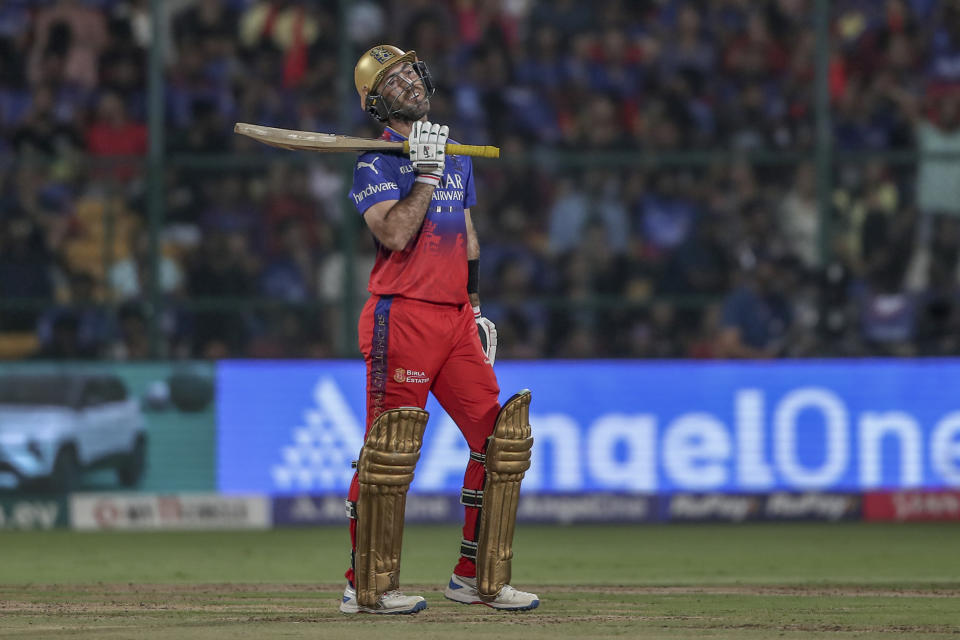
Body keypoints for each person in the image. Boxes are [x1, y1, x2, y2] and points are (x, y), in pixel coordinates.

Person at [339, 45, 539, 615]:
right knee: (389, 453)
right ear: (378, 102)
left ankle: (478, 576)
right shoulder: (374, 164)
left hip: (453, 320)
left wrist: (474, 306)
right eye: (393, 80)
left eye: (409, 72)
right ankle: (366, 585)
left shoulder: (457, 154)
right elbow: (395, 235)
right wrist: (425, 176)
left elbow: (467, 235)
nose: (409, 83)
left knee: (501, 444)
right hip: (400, 316)